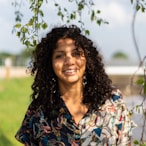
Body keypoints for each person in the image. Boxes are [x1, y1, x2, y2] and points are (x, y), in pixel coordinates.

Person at [15, 25, 136, 146]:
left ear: (87, 59)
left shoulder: (112, 101)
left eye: (76, 53)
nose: (69, 61)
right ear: (50, 63)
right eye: (59, 56)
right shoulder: (38, 112)